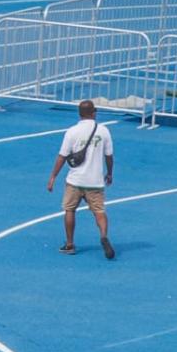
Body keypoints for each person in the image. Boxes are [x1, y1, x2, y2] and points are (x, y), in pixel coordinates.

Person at [46, 100, 115, 260]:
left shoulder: (72, 131)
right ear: (93, 113)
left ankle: (70, 244)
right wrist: (109, 173)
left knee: (70, 210)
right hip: (95, 180)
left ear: (80, 114)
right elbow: (109, 156)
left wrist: (53, 177)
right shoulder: (103, 131)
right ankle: (103, 236)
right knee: (99, 211)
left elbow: (62, 156)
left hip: (75, 180)